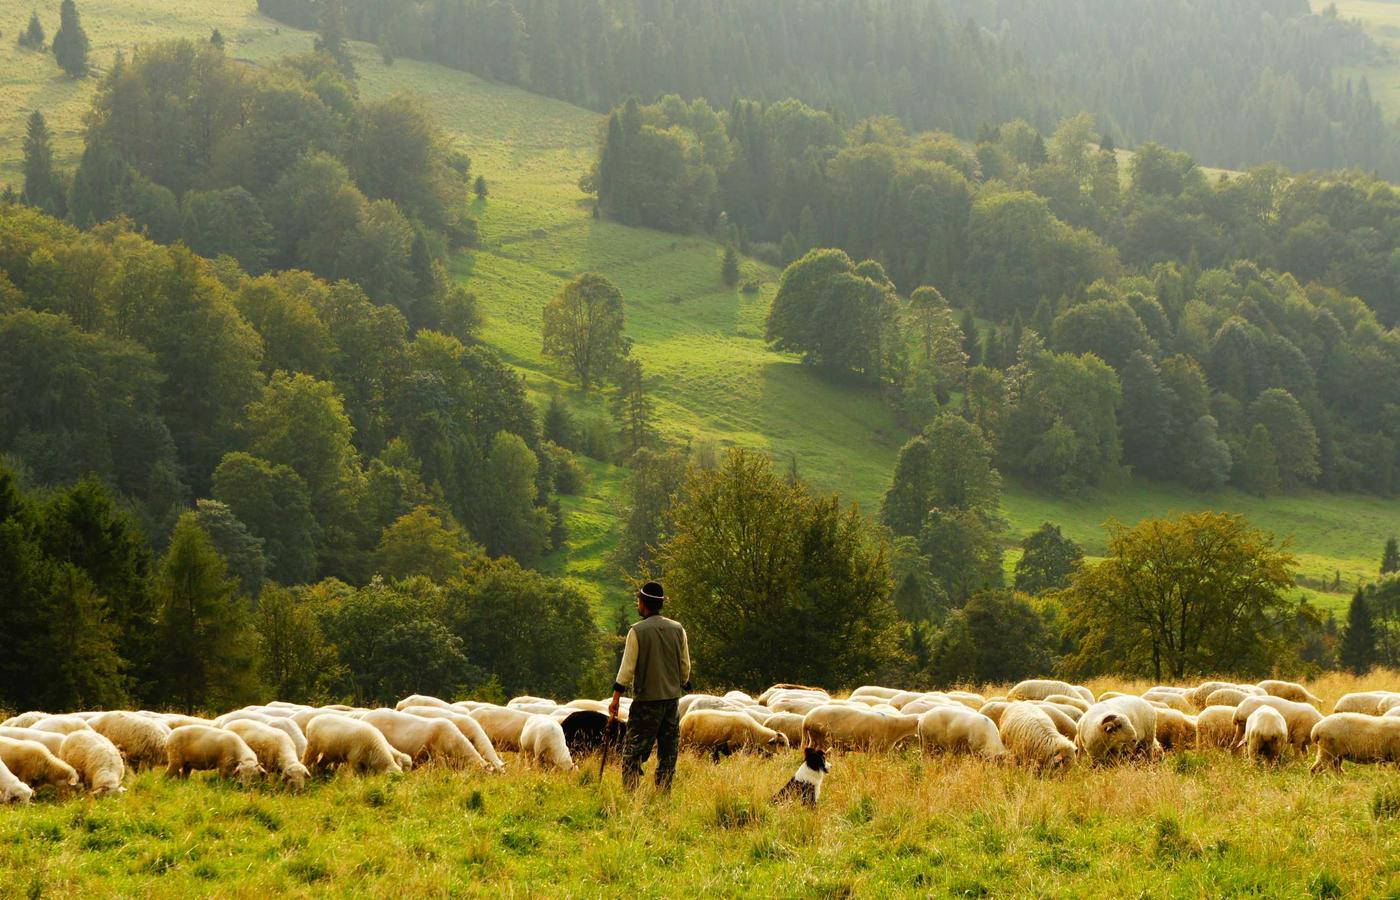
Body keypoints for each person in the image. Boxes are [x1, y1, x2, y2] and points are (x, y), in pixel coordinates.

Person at [609, 580, 691, 792]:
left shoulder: (637, 631)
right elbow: (685, 666)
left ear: (643, 603)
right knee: (668, 752)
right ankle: (663, 793)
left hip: (646, 703)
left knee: (633, 752)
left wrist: (616, 698)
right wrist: (681, 683)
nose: (637, 604)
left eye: (638, 600)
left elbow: (626, 670)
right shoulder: (678, 629)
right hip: (672, 701)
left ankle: (631, 795)